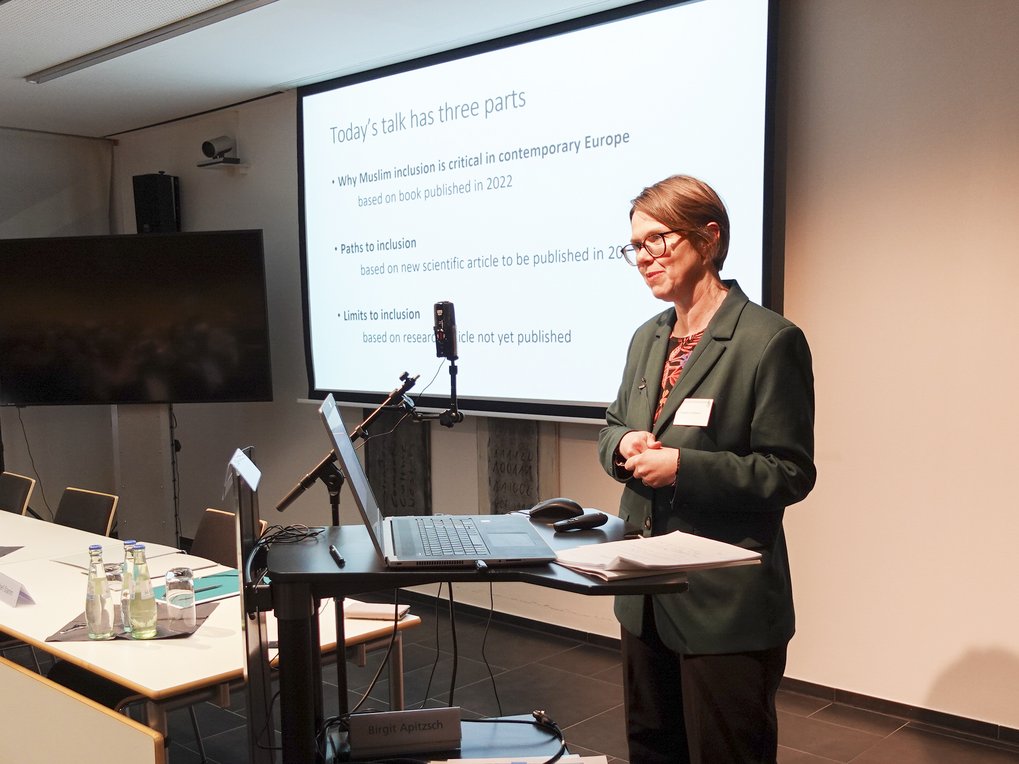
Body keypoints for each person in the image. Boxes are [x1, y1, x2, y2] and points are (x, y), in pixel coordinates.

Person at [598, 175, 816, 763]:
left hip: (723, 604)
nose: (644, 258)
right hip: (644, 593)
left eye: (657, 240)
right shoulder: (648, 337)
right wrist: (624, 447)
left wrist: (682, 468)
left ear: (709, 238)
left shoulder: (769, 341)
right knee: (651, 748)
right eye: (635, 247)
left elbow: (789, 472)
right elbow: (612, 426)